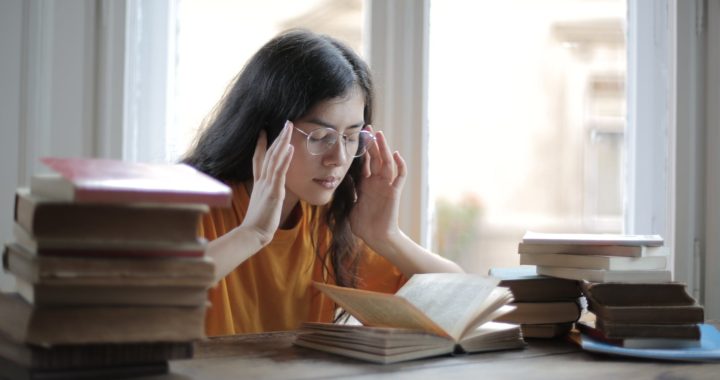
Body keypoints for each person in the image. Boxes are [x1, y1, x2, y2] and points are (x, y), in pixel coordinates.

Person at [183, 29, 463, 336]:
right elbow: (145, 294)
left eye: (351, 136)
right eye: (320, 137)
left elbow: (459, 302)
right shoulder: (191, 206)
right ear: (264, 132)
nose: (338, 157)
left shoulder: (327, 220)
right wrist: (253, 233)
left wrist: (386, 235)